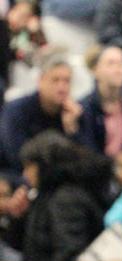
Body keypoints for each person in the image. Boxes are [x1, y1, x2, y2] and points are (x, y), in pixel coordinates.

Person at [18, 130, 113, 261]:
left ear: (43, 165)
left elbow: (70, 254)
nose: (25, 174)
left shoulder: (65, 200)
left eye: (29, 166)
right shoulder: (49, 195)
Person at [0, 48, 82, 178]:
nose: (62, 87)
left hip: (55, 179)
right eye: (55, 80)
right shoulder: (16, 110)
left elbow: (83, 160)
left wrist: (72, 129)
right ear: (40, 81)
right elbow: (17, 158)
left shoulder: (72, 112)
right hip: (13, 175)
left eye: (66, 81)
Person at [78, 45, 122, 157]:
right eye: (111, 63)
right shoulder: (83, 108)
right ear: (95, 70)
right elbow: (87, 151)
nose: (119, 68)